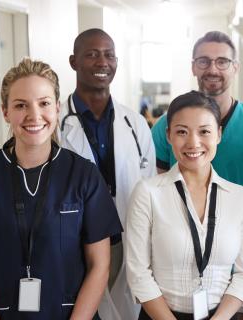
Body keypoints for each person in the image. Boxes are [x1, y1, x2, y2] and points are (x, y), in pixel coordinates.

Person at [0, 58, 122, 319]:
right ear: (5, 112)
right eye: (21, 105)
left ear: (56, 108)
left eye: (44, 103)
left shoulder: (84, 175)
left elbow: (100, 265)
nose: (34, 116)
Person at [125, 91, 243, 320]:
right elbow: (138, 274)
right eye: (182, 132)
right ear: (168, 135)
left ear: (219, 134)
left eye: (204, 131)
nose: (193, 143)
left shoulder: (240, 197)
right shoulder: (148, 193)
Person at [59, 28, 156, 320]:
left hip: (126, 237)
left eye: (109, 55)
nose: (103, 62)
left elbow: (149, 187)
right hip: (75, 239)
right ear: (73, 61)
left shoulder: (135, 123)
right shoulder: (55, 125)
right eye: (92, 54)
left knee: (123, 305)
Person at [151, 31, 243, 187]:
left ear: (235, 68)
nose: (213, 70)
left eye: (222, 62)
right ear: (193, 67)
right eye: (203, 61)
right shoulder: (166, 126)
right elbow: (158, 189)